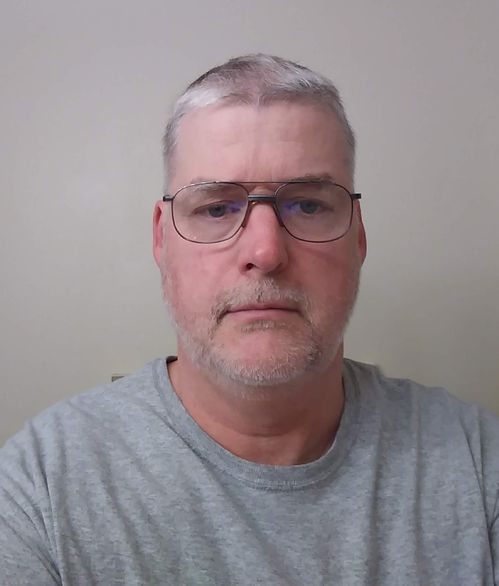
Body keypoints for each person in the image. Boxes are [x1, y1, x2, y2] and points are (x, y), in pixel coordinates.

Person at [1, 54, 498, 585]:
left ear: (358, 238)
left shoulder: (476, 464)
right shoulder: (40, 490)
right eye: (216, 208)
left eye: (308, 205)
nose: (265, 252)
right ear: (161, 238)